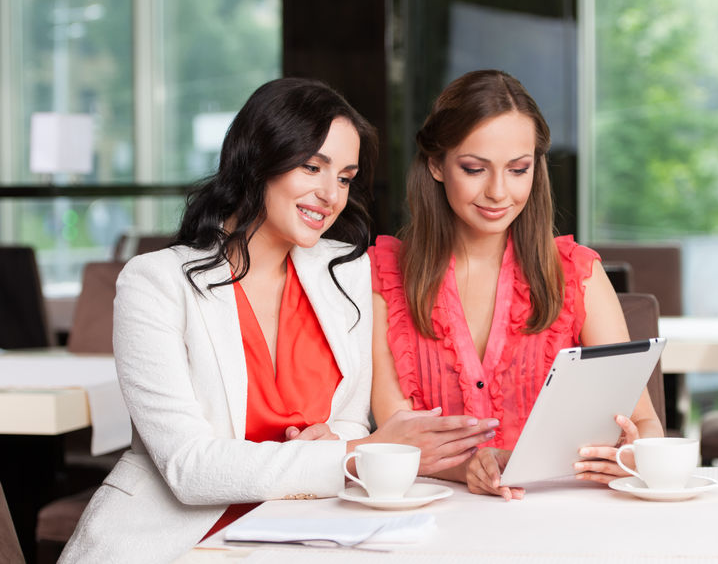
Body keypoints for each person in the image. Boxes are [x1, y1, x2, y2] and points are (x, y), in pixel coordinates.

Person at [60, 78, 492, 564]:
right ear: (258, 160)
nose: (331, 195)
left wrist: (345, 444)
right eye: (313, 167)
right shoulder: (155, 283)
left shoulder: (345, 270)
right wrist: (349, 455)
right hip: (176, 545)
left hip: (307, 533)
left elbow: (347, 420)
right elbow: (189, 467)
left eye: (346, 178)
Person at [370, 69, 663, 501]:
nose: (498, 191)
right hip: (436, 524)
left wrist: (633, 452)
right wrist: (470, 467)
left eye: (518, 169)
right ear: (436, 164)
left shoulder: (578, 273)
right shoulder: (386, 275)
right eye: (474, 169)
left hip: (562, 520)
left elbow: (647, 423)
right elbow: (399, 438)